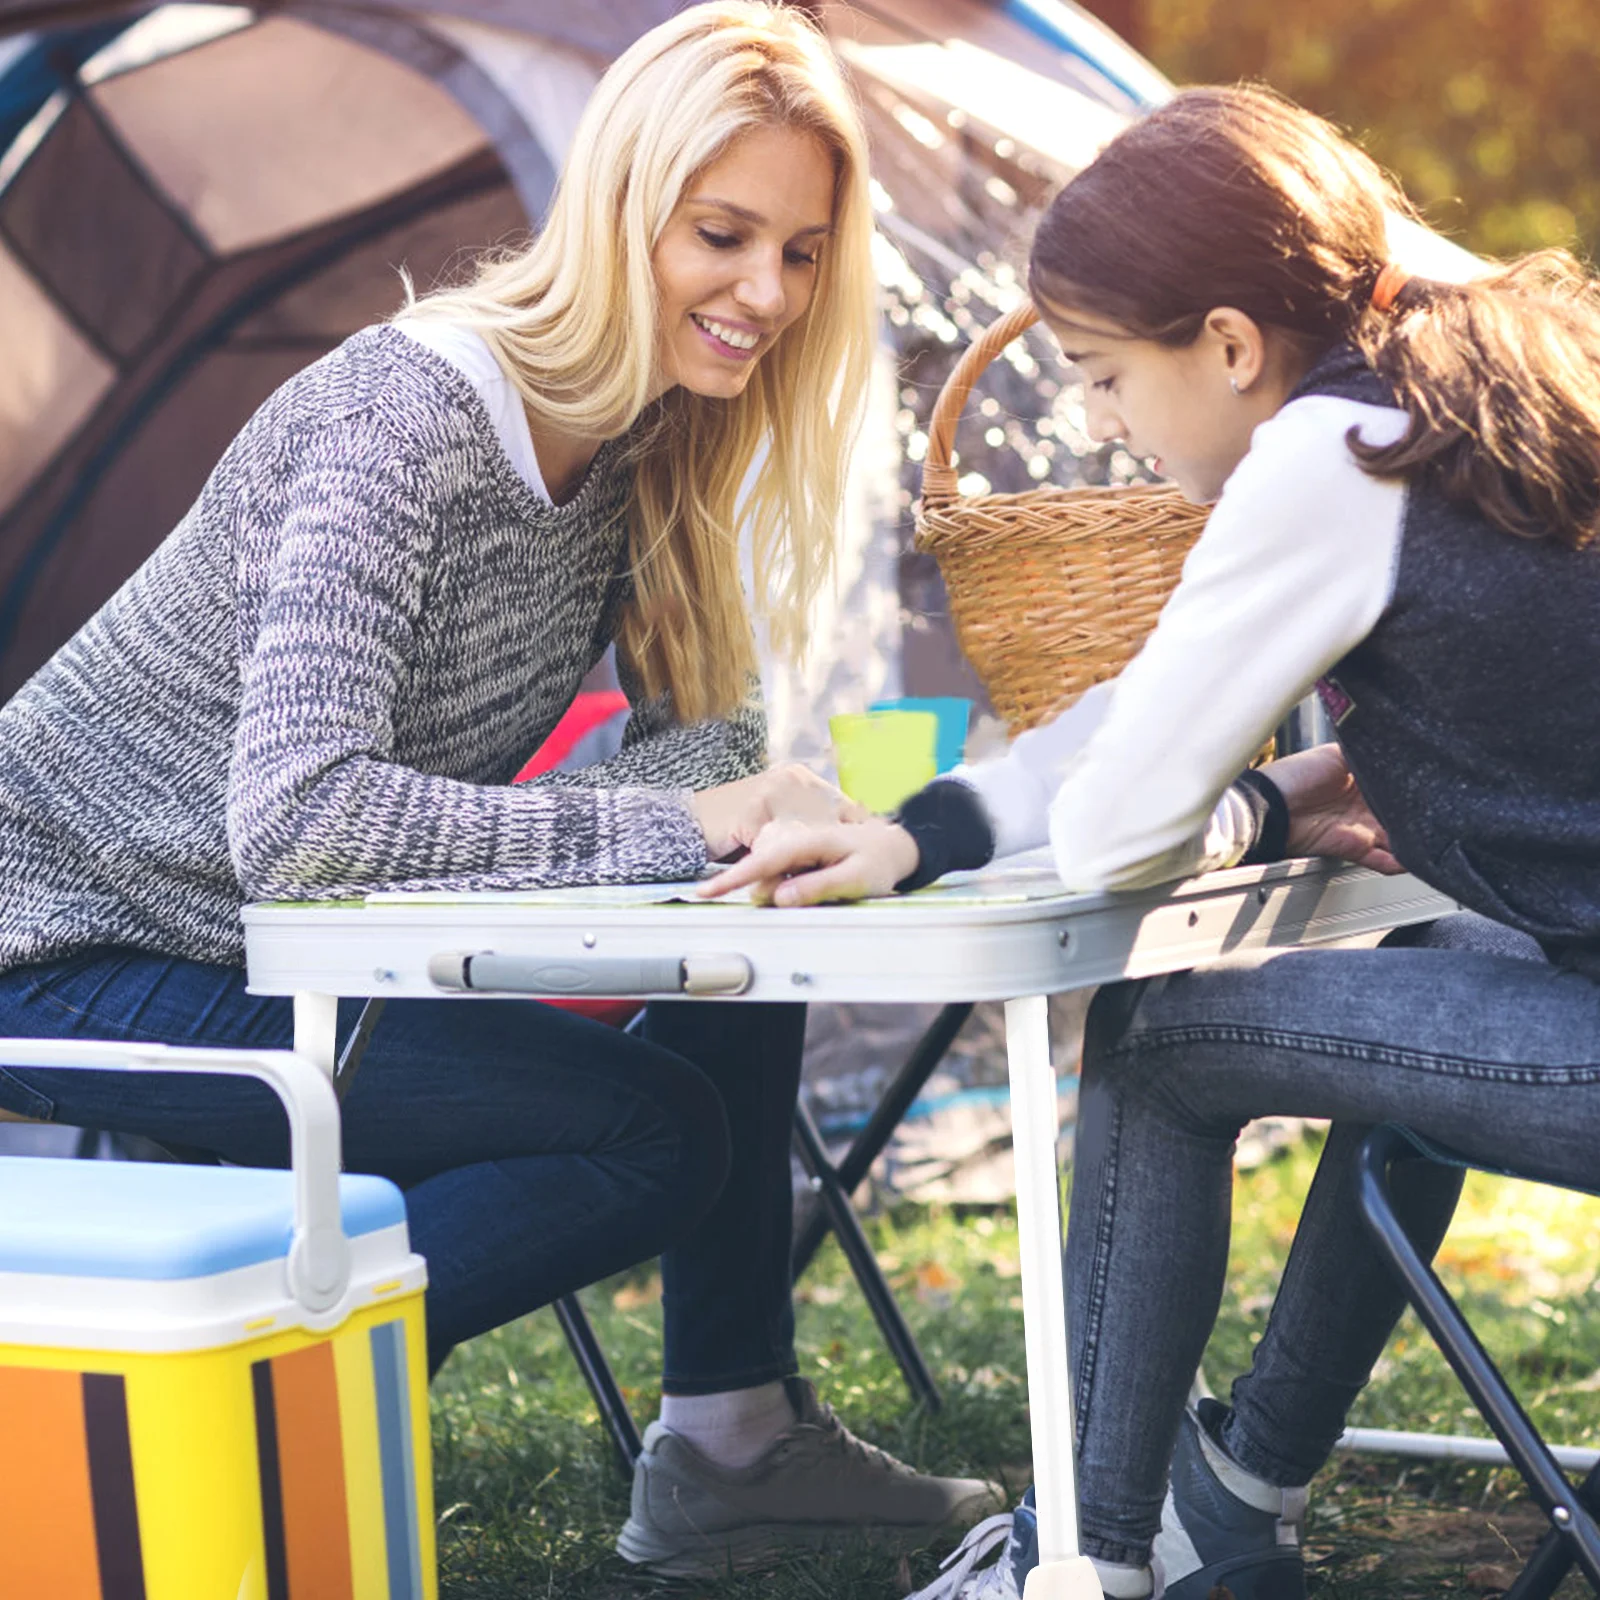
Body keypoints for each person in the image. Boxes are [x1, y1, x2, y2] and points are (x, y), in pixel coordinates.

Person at [0, 2, 996, 1579]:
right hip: (68, 947)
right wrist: (677, 824)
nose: (765, 294)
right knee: (648, 1139)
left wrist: (745, 814)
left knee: (743, 950)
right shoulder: (411, 413)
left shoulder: (655, 431)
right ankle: (255, 1437)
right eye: (723, 234)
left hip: (252, 943)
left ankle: (730, 1448)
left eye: (802, 254)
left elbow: (702, 754)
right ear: (618, 211)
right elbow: (305, 822)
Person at [701, 84, 1600, 1599]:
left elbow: (1123, 825)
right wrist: (924, 838)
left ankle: (1088, 1557)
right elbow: (1146, 719)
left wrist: (1264, 798)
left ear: (1232, 345)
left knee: (1167, 1031)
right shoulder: (1500, 365)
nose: (1104, 422)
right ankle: (1240, 1488)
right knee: (1431, 957)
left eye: (1108, 377)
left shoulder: (1333, 454)